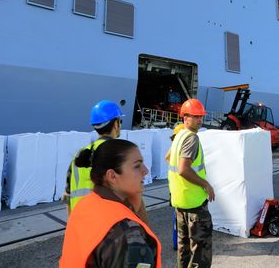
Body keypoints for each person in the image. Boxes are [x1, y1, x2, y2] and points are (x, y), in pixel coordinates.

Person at [60, 139, 161, 268]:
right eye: (137, 166)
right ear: (112, 176)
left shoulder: (84, 205)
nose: (145, 171)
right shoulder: (126, 232)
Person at [64, 100, 148, 222]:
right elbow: (135, 198)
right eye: (120, 121)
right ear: (115, 124)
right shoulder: (119, 151)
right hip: (109, 225)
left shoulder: (81, 154)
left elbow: (68, 195)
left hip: (81, 223)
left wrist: (74, 225)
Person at [168, 98, 215, 268]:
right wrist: (206, 184)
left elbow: (169, 159)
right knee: (200, 251)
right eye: (195, 116)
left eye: (201, 116)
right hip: (194, 203)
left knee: (184, 248)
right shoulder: (191, 138)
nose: (200, 120)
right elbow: (183, 169)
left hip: (180, 201)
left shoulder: (179, 135)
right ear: (185, 117)